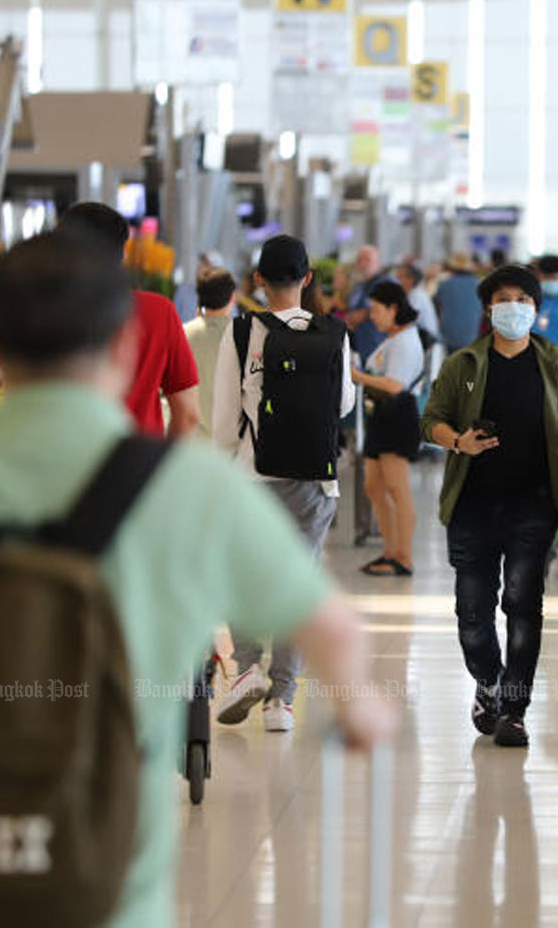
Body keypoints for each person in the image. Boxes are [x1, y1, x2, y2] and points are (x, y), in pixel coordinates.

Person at [0, 232, 397, 927]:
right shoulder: (186, 489)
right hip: (103, 891)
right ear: (123, 345)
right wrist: (360, 709)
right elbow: (328, 625)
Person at [422, 263, 558, 748]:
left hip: (534, 506)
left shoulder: (555, 366)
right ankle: (489, 681)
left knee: (523, 605)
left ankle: (514, 709)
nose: (514, 308)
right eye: (505, 299)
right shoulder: (464, 365)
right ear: (488, 308)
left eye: (524, 300)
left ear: (537, 309)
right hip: (473, 506)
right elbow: (430, 419)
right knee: (473, 615)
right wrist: (459, 441)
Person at [210, 235, 353, 733]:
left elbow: (226, 417)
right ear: (308, 278)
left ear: (258, 280)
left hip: (253, 475)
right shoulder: (334, 331)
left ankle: (247, 669)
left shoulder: (243, 331)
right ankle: (282, 702)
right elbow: (343, 406)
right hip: (315, 482)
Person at [55, 202, 201, 439]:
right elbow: (189, 413)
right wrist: (162, 467)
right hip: (139, 464)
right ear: (123, 253)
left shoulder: (48, 310)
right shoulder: (158, 311)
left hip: (66, 464)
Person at [351, 281, 424, 577]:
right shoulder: (393, 338)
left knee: (397, 487)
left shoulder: (406, 340)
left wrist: (357, 376)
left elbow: (395, 385)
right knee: (374, 485)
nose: (372, 316)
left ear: (394, 309)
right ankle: (390, 551)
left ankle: (403, 556)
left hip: (398, 414)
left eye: (376, 310)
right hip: (382, 415)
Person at [182, 265, 236, 440]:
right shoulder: (246, 335)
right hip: (231, 444)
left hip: (190, 442)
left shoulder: (183, 334)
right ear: (232, 297)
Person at [343, 245, 393, 361]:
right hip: (360, 342)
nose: (363, 264)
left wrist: (365, 313)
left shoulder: (387, 282)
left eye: (368, 260)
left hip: (378, 341)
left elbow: (392, 309)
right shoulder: (359, 285)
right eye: (360, 260)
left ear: (378, 263)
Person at [435, 252, 484, 353]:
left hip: (449, 335)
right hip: (472, 334)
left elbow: (438, 307)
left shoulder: (444, 284)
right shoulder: (479, 284)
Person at [395, 261, 441, 344]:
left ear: (411, 280)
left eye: (399, 277)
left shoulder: (416, 296)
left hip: (426, 341)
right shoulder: (410, 295)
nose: (396, 281)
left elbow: (408, 321)